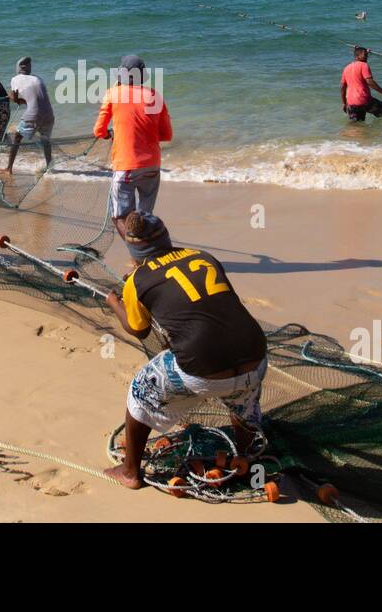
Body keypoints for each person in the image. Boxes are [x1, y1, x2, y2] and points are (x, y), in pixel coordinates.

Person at [103, 212, 268, 490]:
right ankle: (247, 457)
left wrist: (114, 303)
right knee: (244, 396)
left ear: (134, 250)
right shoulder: (203, 257)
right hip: (255, 357)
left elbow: (138, 329)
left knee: (140, 388)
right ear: (167, 238)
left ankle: (130, 472)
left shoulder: (137, 280)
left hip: (203, 370)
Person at [94, 55, 173, 242]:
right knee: (144, 216)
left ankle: (138, 255)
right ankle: (146, 251)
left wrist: (109, 135)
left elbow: (98, 130)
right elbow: (166, 135)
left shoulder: (113, 94)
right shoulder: (154, 95)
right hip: (152, 165)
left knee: (119, 216)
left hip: (126, 166)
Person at [5, 56, 54, 173]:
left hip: (33, 115)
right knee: (45, 140)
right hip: (49, 115)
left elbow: (15, 98)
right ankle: (49, 167)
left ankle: (9, 168)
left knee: (17, 138)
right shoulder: (38, 79)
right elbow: (37, 99)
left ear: (17, 68)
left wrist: (12, 97)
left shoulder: (15, 79)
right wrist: (23, 101)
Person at [341, 46, 382, 121]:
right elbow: (370, 82)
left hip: (351, 103)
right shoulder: (364, 65)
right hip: (364, 99)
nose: (367, 57)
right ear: (357, 57)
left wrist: (344, 103)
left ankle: (352, 132)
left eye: (367, 55)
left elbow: (343, 88)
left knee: (356, 124)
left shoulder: (346, 68)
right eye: (365, 55)